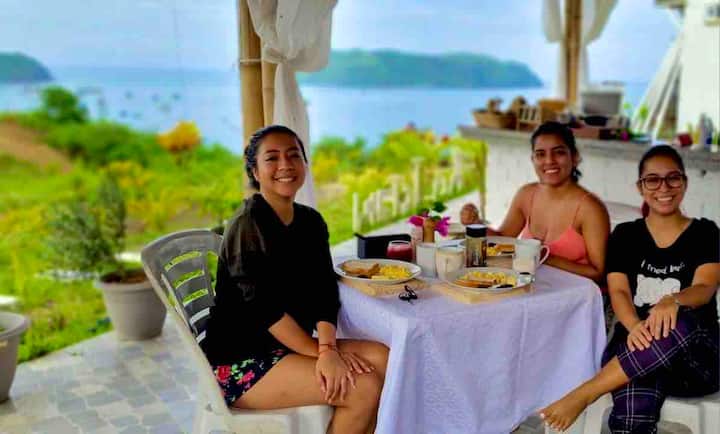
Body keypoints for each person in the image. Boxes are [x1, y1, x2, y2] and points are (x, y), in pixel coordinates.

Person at [201, 125, 388, 434]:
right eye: (272, 158)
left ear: (304, 163)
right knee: (362, 387)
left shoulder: (310, 222)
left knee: (384, 358)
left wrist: (327, 348)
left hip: (286, 346)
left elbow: (324, 291)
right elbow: (265, 310)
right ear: (255, 171)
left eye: (293, 155)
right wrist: (325, 354)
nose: (285, 165)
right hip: (240, 360)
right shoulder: (247, 225)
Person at [538, 145, 720, 432]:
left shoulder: (705, 232)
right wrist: (635, 326)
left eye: (673, 178)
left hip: (694, 361)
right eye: (653, 180)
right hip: (635, 351)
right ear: (640, 187)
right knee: (633, 409)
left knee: (677, 321)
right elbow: (619, 292)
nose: (664, 187)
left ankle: (586, 393)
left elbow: (705, 287)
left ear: (684, 182)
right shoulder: (625, 235)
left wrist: (673, 300)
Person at [461, 121, 609, 281]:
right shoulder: (526, 195)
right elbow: (503, 238)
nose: (549, 161)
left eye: (559, 152)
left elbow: (598, 272)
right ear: (533, 159)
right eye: (540, 154)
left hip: (578, 293)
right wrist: (476, 224)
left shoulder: (590, 208)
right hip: (531, 287)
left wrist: (543, 256)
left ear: (574, 157)